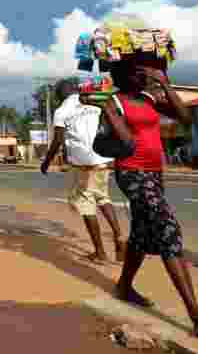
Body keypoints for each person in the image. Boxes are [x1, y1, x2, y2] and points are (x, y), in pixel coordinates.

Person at [102, 58, 198, 338]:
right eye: (136, 72)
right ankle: (195, 313)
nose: (142, 76)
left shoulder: (149, 99)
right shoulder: (113, 103)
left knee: (142, 233)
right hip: (132, 173)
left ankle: (124, 286)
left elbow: (185, 118)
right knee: (168, 230)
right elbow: (126, 142)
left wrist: (165, 84)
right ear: (121, 76)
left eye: (143, 72)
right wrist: (109, 113)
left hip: (155, 172)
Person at [42, 78, 125, 264]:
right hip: (103, 159)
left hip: (83, 164)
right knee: (103, 198)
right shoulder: (94, 100)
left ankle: (100, 253)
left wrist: (46, 162)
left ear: (60, 95)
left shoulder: (62, 111)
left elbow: (57, 140)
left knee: (86, 205)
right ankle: (119, 237)